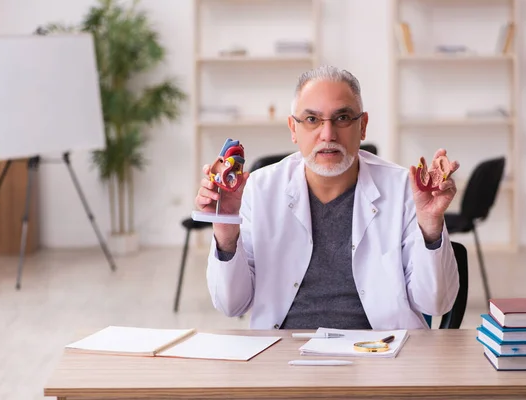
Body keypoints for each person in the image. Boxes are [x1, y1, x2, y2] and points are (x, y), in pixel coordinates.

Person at [196, 65, 460, 330]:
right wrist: (225, 228)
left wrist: (431, 226)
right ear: (293, 128)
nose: (328, 134)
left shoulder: (404, 187)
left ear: (363, 125)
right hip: (283, 354)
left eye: (342, 117)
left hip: (381, 354)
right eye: (312, 119)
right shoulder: (260, 188)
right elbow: (232, 305)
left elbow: (436, 304)